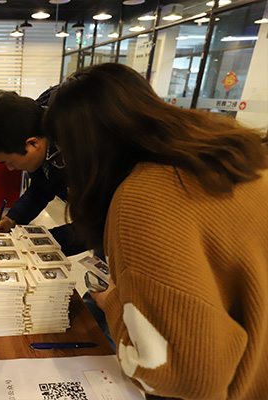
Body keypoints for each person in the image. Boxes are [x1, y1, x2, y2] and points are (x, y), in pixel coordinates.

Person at [44, 63, 268, 398]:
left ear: (86, 149)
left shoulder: (143, 197)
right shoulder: (228, 157)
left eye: (63, 154)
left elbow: (183, 375)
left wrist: (113, 302)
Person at [0, 90, 87, 256]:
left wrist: (35, 244)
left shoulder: (80, 150)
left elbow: (98, 225)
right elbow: (40, 189)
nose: (11, 169)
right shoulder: (40, 138)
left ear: (33, 144)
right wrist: (12, 218)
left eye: (10, 162)